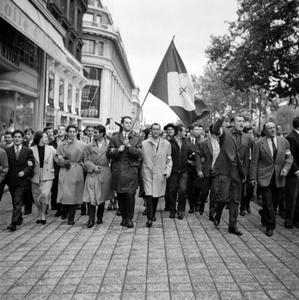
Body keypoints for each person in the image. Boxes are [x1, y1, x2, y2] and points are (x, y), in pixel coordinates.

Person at [212, 106, 252, 236]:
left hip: (238, 173)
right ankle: (217, 214)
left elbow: (246, 157)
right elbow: (215, 129)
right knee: (223, 198)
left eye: (243, 121)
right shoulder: (225, 132)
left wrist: (245, 173)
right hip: (225, 171)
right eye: (239, 121)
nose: (242, 123)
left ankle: (232, 226)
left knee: (235, 200)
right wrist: (223, 115)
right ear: (232, 123)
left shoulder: (247, 138)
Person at [250, 122, 293, 236]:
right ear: (265, 130)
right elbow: (254, 162)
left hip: (279, 177)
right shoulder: (259, 143)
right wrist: (253, 178)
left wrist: (286, 168)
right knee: (268, 201)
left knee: (274, 202)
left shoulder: (284, 142)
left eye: (274, 127)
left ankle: (264, 215)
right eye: (270, 128)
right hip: (264, 176)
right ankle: (270, 226)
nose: (273, 130)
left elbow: (289, 158)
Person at [107, 116, 142, 228]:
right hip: (118, 170)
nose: (128, 124)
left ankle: (130, 218)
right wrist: (118, 150)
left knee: (130, 195)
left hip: (131, 170)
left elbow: (139, 154)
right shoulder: (115, 138)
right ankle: (123, 217)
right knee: (121, 195)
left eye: (130, 122)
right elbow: (108, 153)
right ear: (122, 124)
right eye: (126, 122)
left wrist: (129, 146)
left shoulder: (137, 138)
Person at [142, 123, 172, 227]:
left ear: (160, 131)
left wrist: (167, 171)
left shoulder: (167, 144)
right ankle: (149, 218)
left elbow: (169, 159)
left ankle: (152, 214)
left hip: (160, 173)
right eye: (153, 129)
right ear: (151, 130)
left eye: (157, 129)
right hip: (148, 172)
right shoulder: (144, 143)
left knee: (155, 196)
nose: (155, 131)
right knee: (149, 194)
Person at [83, 125, 113, 228]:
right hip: (92, 172)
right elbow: (86, 159)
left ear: (102, 133)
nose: (93, 134)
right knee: (91, 196)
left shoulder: (109, 145)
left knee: (102, 196)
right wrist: (92, 167)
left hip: (104, 172)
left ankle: (99, 217)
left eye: (95, 132)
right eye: (93, 132)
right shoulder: (88, 146)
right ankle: (91, 219)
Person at [168, 124, 200, 219]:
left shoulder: (187, 143)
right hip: (172, 170)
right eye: (184, 131)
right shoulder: (170, 142)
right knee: (172, 191)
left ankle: (181, 210)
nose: (186, 133)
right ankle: (172, 210)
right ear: (179, 131)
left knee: (183, 191)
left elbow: (194, 152)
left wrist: (195, 158)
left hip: (184, 170)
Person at [56, 125, 86, 225]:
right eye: (70, 131)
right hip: (65, 170)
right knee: (65, 193)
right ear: (67, 133)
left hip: (76, 170)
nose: (72, 133)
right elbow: (56, 157)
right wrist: (62, 161)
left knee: (74, 194)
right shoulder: (61, 145)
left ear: (77, 132)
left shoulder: (82, 145)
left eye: (74, 131)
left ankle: (71, 217)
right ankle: (64, 211)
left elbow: (86, 158)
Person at [5, 130, 34, 231]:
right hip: (11, 180)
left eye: (19, 137)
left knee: (17, 200)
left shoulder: (28, 151)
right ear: (13, 138)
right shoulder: (7, 151)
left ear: (22, 138)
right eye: (15, 137)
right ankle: (19, 217)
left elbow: (31, 166)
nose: (17, 139)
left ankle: (13, 223)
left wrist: (24, 172)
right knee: (15, 201)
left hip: (22, 181)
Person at [30, 131, 57, 224]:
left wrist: (64, 161)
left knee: (45, 195)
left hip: (48, 175)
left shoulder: (51, 149)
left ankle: (43, 215)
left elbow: (57, 158)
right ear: (39, 138)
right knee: (36, 197)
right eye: (45, 137)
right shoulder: (31, 149)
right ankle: (39, 212)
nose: (47, 138)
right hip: (35, 175)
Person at [197, 124, 220, 219]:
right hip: (206, 171)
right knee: (204, 192)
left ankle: (212, 212)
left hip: (217, 171)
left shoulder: (221, 142)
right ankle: (201, 204)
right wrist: (199, 170)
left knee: (214, 192)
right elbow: (198, 156)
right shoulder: (203, 142)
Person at [284, 117, 299, 228]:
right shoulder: (290, 137)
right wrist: (296, 169)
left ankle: (296, 220)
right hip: (294, 173)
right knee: (291, 197)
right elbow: (290, 156)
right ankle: (288, 219)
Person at [49, 125, 66, 217]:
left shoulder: (68, 142)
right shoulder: (52, 142)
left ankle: (64, 208)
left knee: (63, 188)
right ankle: (57, 207)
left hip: (64, 167)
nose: (60, 131)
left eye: (63, 129)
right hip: (54, 168)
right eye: (59, 129)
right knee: (55, 188)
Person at [187, 124, 203, 213]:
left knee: (198, 187)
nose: (198, 131)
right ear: (191, 131)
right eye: (196, 130)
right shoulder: (186, 141)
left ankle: (197, 203)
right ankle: (191, 206)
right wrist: (187, 161)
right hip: (189, 167)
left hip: (199, 167)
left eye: (199, 130)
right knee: (190, 188)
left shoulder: (202, 141)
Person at [240, 126, 255, 216]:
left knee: (251, 188)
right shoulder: (242, 144)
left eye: (252, 133)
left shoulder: (254, 144)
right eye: (249, 133)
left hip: (251, 167)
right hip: (242, 167)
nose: (251, 135)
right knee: (242, 189)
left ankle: (247, 203)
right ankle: (242, 207)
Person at [163, 123, 176, 211]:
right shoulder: (163, 141)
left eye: (171, 129)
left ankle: (172, 206)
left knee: (172, 188)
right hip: (165, 166)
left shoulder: (178, 140)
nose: (170, 131)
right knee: (166, 188)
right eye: (168, 130)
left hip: (175, 166)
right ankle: (167, 204)